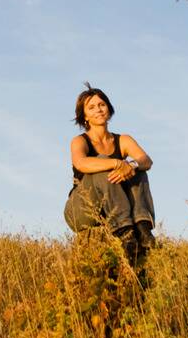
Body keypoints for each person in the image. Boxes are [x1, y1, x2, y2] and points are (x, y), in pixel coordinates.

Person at [64, 83, 156, 266]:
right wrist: (116, 163)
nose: (98, 109)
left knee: (138, 170)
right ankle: (125, 234)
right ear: (85, 117)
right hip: (82, 209)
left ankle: (143, 228)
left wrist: (132, 165)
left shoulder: (123, 139)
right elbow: (81, 163)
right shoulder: (79, 141)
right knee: (102, 163)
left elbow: (147, 160)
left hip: (114, 206)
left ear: (109, 108)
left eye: (101, 105)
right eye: (91, 107)